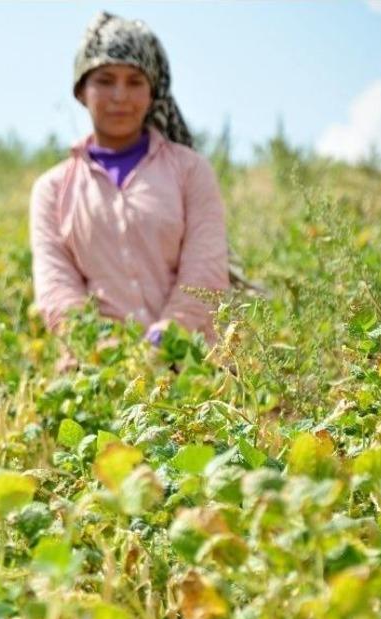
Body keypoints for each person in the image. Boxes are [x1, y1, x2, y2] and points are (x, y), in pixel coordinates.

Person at [30, 12, 229, 359]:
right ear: (81, 91)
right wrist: (102, 350)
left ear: (152, 92)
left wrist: (169, 337)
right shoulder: (52, 189)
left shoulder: (191, 171)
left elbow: (206, 269)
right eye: (105, 80)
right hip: (95, 373)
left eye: (134, 81)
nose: (120, 95)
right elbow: (57, 289)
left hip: (192, 367)